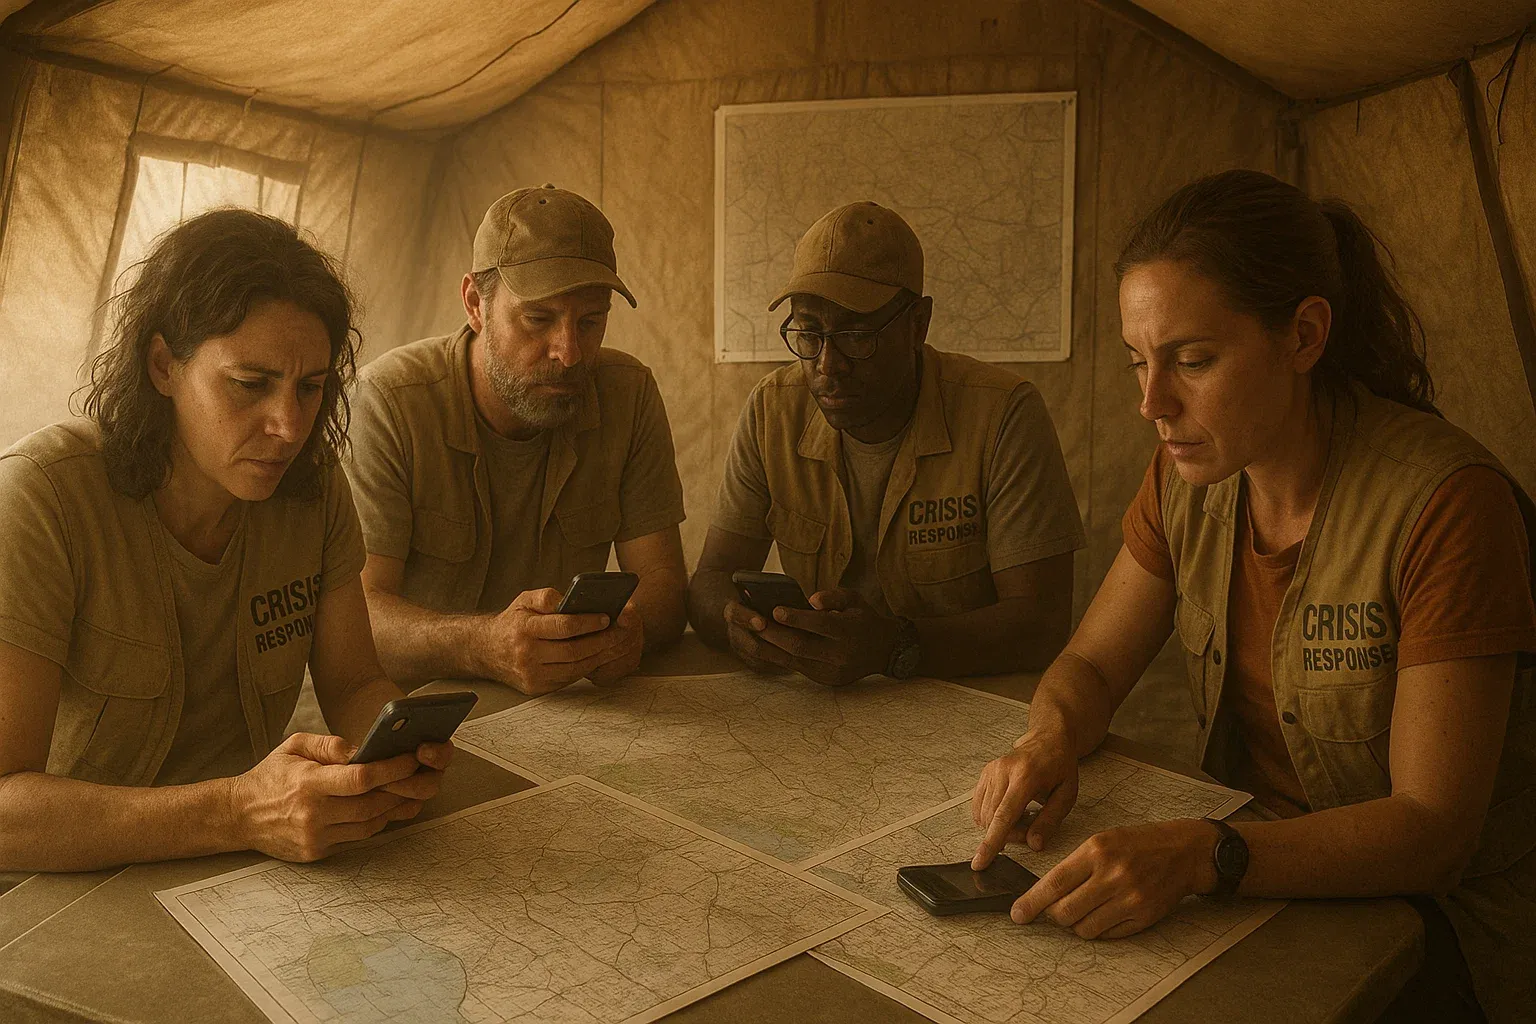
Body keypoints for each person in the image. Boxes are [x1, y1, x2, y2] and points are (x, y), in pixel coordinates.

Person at [969, 170, 1536, 1024]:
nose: (1152, 403)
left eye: (1192, 360)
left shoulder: (1446, 505)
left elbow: (1433, 832)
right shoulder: (1187, 477)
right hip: (1248, 875)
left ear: (1304, 335)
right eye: (1138, 361)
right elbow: (1090, 661)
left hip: (1431, 924)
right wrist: (1049, 738)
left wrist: (1205, 858)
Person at [0, 210, 452, 872]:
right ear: (162, 366)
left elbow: (354, 682)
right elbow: (5, 815)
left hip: (246, 865)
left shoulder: (315, 489)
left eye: (312, 387)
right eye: (250, 384)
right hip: (77, 879)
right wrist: (238, 810)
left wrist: (390, 752)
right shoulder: (43, 499)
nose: (290, 426)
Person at [687, 201, 1085, 685]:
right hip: (823, 714)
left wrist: (897, 647)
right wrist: (741, 628)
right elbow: (710, 581)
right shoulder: (771, 411)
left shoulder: (1003, 414)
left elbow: (1041, 625)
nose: (828, 364)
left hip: (969, 707)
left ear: (918, 324)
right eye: (809, 333)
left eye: (857, 334)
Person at [348, 185, 686, 696]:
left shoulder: (628, 394)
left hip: (565, 710)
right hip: (417, 709)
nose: (569, 353)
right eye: (538, 318)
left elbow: (663, 582)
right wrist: (484, 645)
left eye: (591, 322)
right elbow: (355, 620)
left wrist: (630, 630)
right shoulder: (389, 402)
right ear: (474, 304)